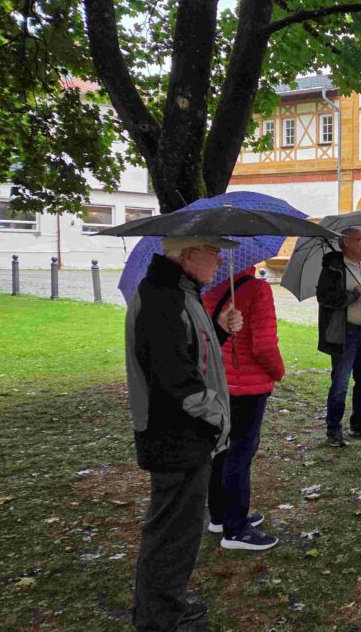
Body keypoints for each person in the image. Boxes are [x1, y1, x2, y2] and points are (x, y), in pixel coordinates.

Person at [126, 236, 241, 631]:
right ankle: (159, 619)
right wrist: (218, 419)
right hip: (176, 435)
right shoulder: (162, 296)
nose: (220, 262)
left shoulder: (181, 292)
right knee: (170, 534)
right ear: (189, 256)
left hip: (188, 433)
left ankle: (167, 604)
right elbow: (177, 378)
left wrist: (219, 330)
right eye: (214, 254)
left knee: (181, 531)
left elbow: (194, 354)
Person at [203, 266, 284, 551]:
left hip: (217, 382)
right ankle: (235, 529)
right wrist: (278, 372)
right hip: (247, 387)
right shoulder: (257, 289)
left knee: (221, 449)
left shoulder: (209, 286)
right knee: (240, 453)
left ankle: (220, 515)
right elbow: (264, 346)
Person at [317, 227, 361, 447]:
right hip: (345, 333)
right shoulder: (334, 267)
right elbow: (324, 297)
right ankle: (333, 429)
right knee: (340, 383)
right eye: (359, 240)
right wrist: (353, 293)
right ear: (345, 242)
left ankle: (359, 423)